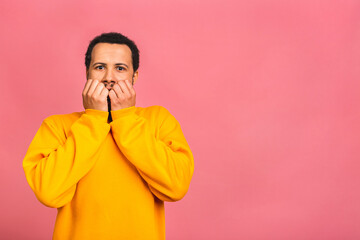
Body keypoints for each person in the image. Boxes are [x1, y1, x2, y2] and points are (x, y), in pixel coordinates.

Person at [22, 32, 194, 240]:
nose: (109, 77)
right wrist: (94, 118)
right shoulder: (57, 125)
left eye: (120, 68)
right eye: (100, 67)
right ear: (87, 73)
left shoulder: (158, 120)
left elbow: (176, 187)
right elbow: (48, 192)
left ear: (135, 76)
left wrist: (125, 119)